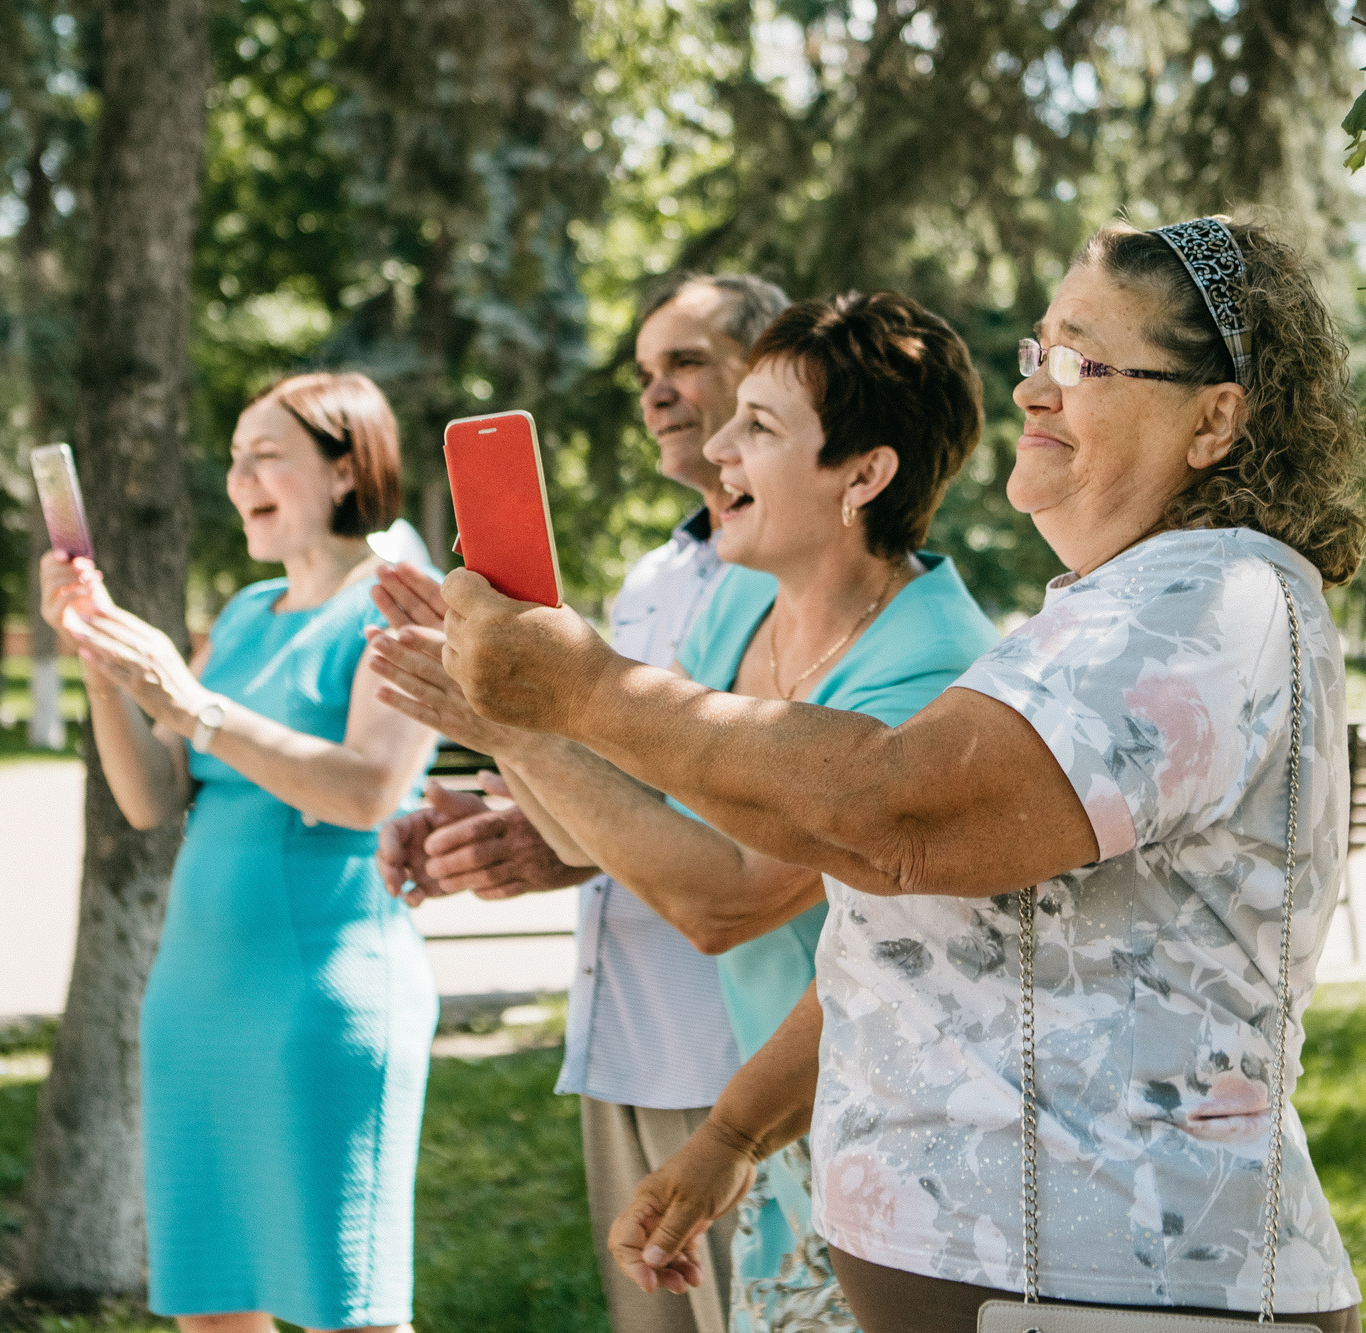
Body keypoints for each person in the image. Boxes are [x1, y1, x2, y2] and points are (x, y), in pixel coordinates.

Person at [430, 216, 1366, 1331]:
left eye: (1081, 359)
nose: (1034, 389)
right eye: (1037, 352)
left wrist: (582, 693)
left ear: (1214, 419)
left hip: (1123, 1294)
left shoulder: (1205, 604)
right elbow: (910, 933)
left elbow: (893, 817)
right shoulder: (1111, 609)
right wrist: (733, 1132)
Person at [369, 290, 998, 1333]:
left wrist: (519, 725)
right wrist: (513, 711)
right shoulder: (743, 602)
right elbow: (608, 829)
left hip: (893, 1127)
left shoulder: (929, 669)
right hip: (766, 1122)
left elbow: (726, 898)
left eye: (757, 427)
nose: (715, 451)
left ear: (864, 474)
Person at [375, 272, 788, 1333]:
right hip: (621, 1031)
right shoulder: (652, 577)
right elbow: (609, 778)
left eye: (686, 362)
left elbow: (747, 809)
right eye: (645, 372)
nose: (655, 394)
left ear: (767, 370)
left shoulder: (797, 573)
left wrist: (517, 741)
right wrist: (500, 815)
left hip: (736, 1048)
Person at [41, 372, 438, 1333]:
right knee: (213, 1306)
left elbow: (366, 790)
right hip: (195, 1001)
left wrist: (194, 706)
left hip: (322, 999)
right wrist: (104, 665)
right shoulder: (250, 613)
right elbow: (151, 797)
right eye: (232, 458)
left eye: (267, 456)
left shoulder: (398, 602)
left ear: (346, 471)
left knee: (350, 1309)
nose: (239, 479)